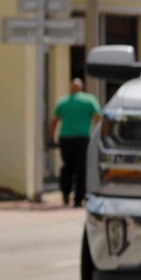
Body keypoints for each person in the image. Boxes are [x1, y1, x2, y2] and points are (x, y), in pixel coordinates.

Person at [47, 77, 102, 206]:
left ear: (71, 87)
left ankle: (65, 192)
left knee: (67, 166)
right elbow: (98, 119)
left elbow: (54, 122)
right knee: (81, 168)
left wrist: (51, 139)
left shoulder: (63, 101)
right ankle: (78, 198)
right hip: (82, 138)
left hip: (66, 138)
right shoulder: (89, 100)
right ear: (81, 87)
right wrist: (98, 137)